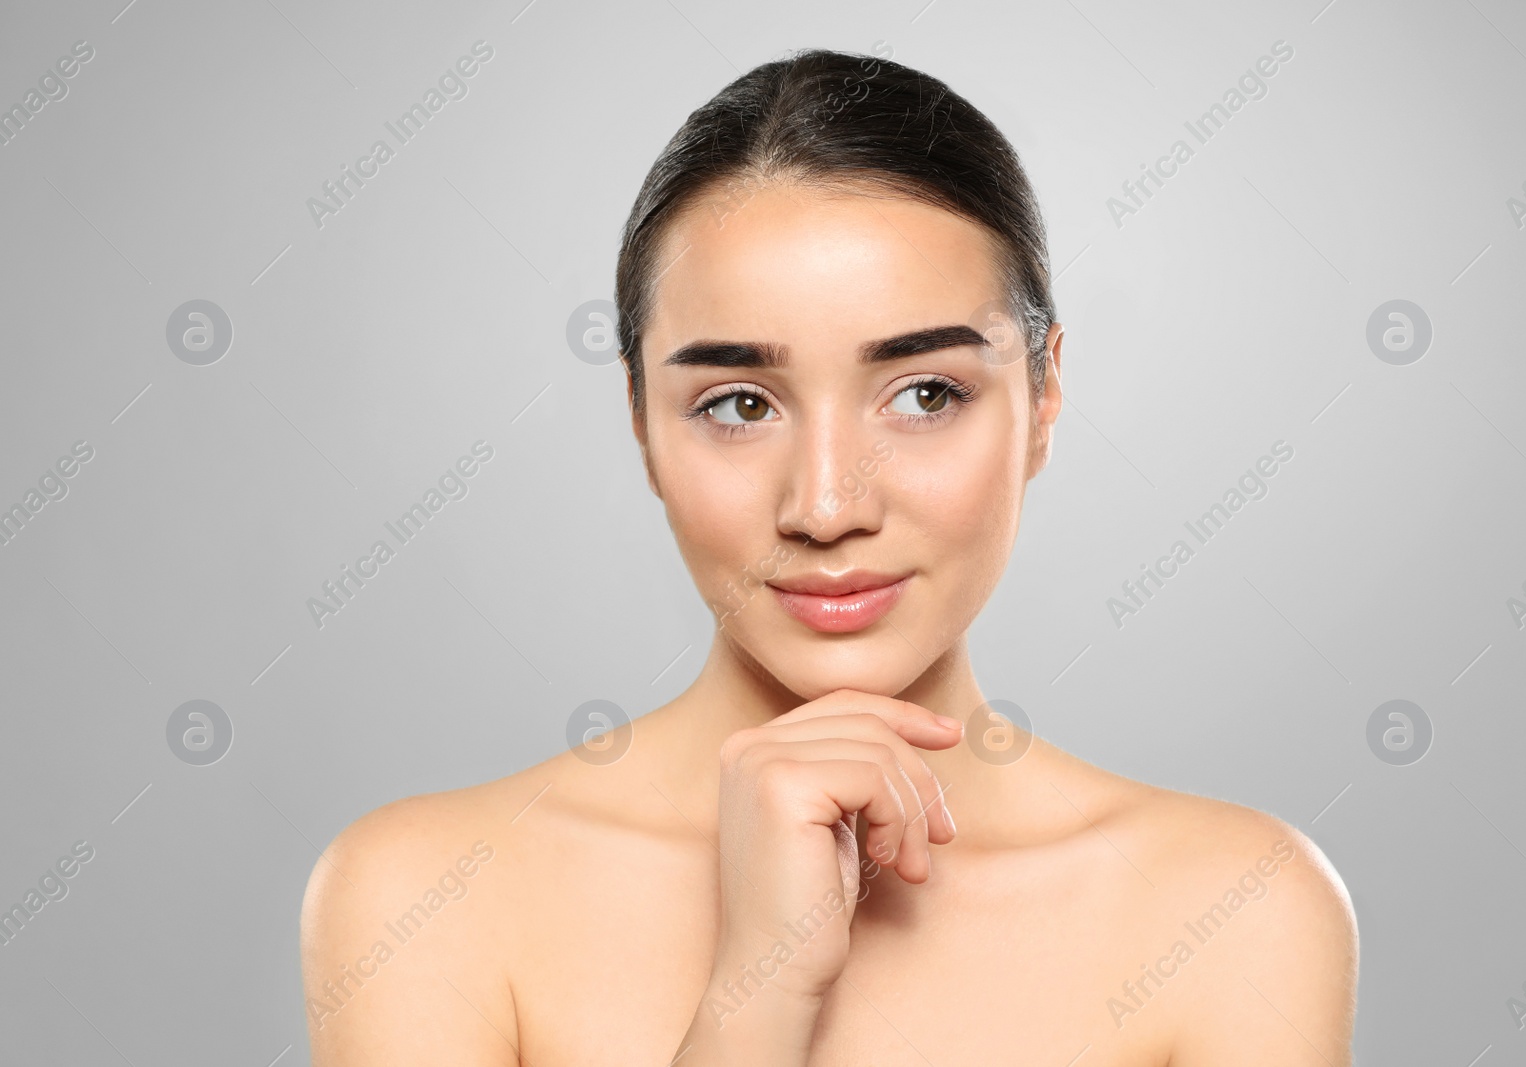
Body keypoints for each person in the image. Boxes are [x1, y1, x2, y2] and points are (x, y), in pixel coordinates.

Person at [300, 47, 1357, 1065]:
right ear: (639, 422)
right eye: (739, 404)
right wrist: (753, 998)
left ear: (1042, 399)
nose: (823, 506)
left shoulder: (1236, 910)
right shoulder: (424, 898)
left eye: (925, 393)